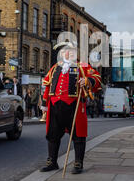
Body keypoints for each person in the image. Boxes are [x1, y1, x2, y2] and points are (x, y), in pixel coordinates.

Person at [39, 41, 102, 174]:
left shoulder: (83, 65)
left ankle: (78, 163)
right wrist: (44, 104)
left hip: (74, 106)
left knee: (78, 135)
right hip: (55, 106)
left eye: (72, 50)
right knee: (52, 135)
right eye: (66, 51)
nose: (69, 53)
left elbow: (96, 77)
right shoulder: (55, 67)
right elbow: (48, 86)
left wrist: (87, 81)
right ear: (62, 54)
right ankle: (52, 161)